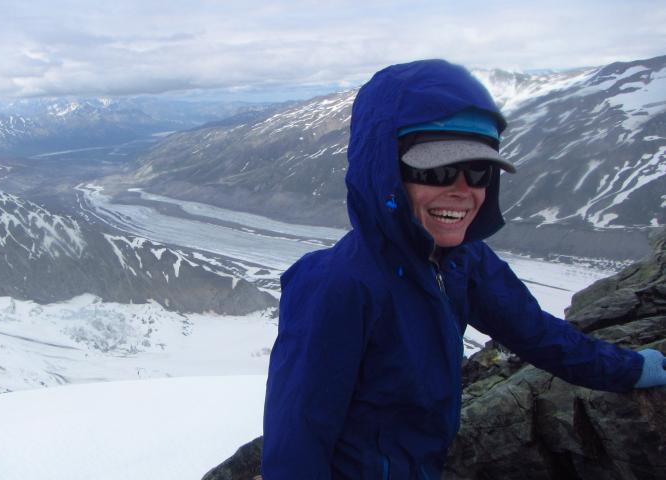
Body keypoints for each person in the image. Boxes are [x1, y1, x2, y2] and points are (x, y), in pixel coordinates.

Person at [261, 59, 666, 480]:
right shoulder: (339, 285)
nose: (462, 188)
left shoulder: (464, 262)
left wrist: (631, 369)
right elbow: (298, 438)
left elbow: (539, 336)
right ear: (383, 171)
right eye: (436, 169)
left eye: (479, 170)